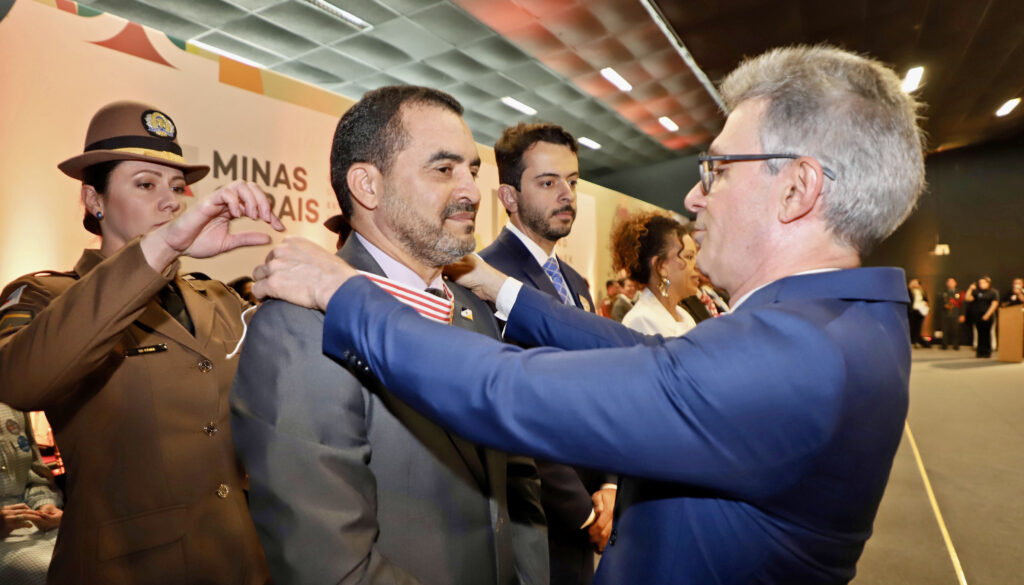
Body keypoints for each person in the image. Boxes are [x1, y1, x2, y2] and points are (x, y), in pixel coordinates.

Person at [251, 45, 925, 584]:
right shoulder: (833, 326)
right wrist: (504, 290)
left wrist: (344, 294)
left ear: (798, 188)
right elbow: (651, 361)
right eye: (442, 168)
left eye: (717, 168)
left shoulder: (794, 358)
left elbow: (508, 390)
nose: (694, 196)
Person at [229, 85, 547, 585]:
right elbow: (331, 565)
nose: (470, 191)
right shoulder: (299, 328)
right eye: (444, 170)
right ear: (367, 186)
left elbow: (518, 482)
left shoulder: (471, 309)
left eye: (473, 169)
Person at [0, 101, 281, 584]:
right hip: (126, 567)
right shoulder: (48, 296)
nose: (171, 201)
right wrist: (162, 249)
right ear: (94, 200)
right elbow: (21, 381)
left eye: (176, 187)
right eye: (146, 184)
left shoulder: (214, 297)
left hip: (241, 558)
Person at [479, 121, 613, 584]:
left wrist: (610, 484)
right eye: (548, 182)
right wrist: (583, 512)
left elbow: (598, 387)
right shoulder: (484, 277)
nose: (567, 195)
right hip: (535, 521)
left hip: (594, 507)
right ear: (509, 197)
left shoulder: (575, 283)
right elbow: (512, 409)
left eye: (573, 182)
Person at [0, 403, 62, 585]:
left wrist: (44, 505)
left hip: (36, 526)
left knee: (92, 553)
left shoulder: (12, 400)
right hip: (9, 545)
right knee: (47, 572)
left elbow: (33, 474)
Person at [610, 211, 699, 336]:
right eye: (689, 257)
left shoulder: (684, 316)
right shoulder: (640, 320)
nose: (697, 265)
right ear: (661, 266)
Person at [965, 276, 1000, 358]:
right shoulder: (977, 292)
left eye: (983, 283)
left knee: (987, 334)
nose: (981, 284)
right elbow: (967, 298)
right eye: (980, 283)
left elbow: (994, 304)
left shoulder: (993, 292)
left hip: (988, 316)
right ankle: (980, 352)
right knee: (980, 334)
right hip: (977, 316)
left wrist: (988, 314)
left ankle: (987, 352)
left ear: (988, 283)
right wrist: (970, 289)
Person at [937, 277, 964, 350]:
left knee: (956, 330)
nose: (950, 283)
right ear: (946, 283)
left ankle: (956, 345)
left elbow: (962, 304)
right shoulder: (943, 292)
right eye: (949, 282)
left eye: (952, 282)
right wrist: (944, 306)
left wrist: (962, 314)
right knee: (944, 330)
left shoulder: (959, 292)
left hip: (955, 314)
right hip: (945, 314)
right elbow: (939, 303)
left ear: (955, 283)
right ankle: (944, 345)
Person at [907, 277, 930, 347]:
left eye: (917, 283)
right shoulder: (909, 291)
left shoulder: (922, 291)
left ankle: (916, 341)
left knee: (918, 327)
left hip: (920, 311)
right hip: (912, 311)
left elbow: (926, 299)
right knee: (911, 327)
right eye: (915, 283)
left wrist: (926, 303)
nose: (916, 284)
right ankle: (910, 341)